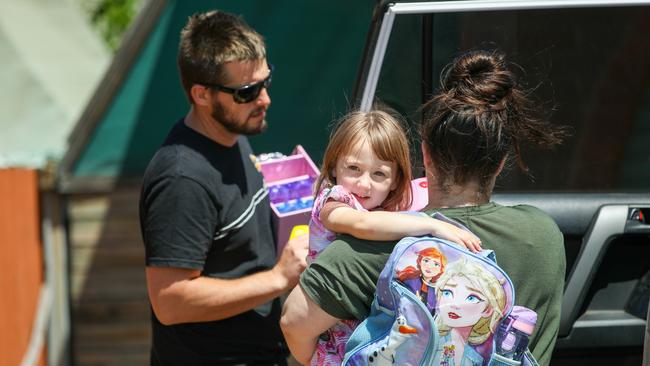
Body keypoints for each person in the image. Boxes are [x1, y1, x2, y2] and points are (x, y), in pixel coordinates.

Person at [280, 50, 567, 366]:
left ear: (425, 156)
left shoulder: (365, 250)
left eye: (377, 173)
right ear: (499, 164)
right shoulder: (545, 236)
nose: (364, 183)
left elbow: (294, 322)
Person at [139, 10, 308, 365]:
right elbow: (170, 300)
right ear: (201, 94)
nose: (264, 99)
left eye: (266, 81)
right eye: (247, 92)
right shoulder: (182, 180)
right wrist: (278, 278)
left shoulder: (230, 138)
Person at [306, 110, 482, 365]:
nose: (364, 185)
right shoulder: (334, 200)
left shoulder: (388, 213)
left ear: (395, 180)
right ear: (334, 166)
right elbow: (361, 224)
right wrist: (432, 226)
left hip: (366, 335)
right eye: (354, 168)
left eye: (379, 174)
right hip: (331, 338)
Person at [432, 259, 507, 366]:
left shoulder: (475, 359)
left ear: (488, 310)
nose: (455, 304)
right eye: (447, 293)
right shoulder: (431, 344)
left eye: (471, 298)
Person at [396, 246, 447, 314]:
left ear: (441, 270)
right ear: (420, 261)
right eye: (426, 260)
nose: (429, 267)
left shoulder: (437, 290)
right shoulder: (410, 280)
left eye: (436, 264)